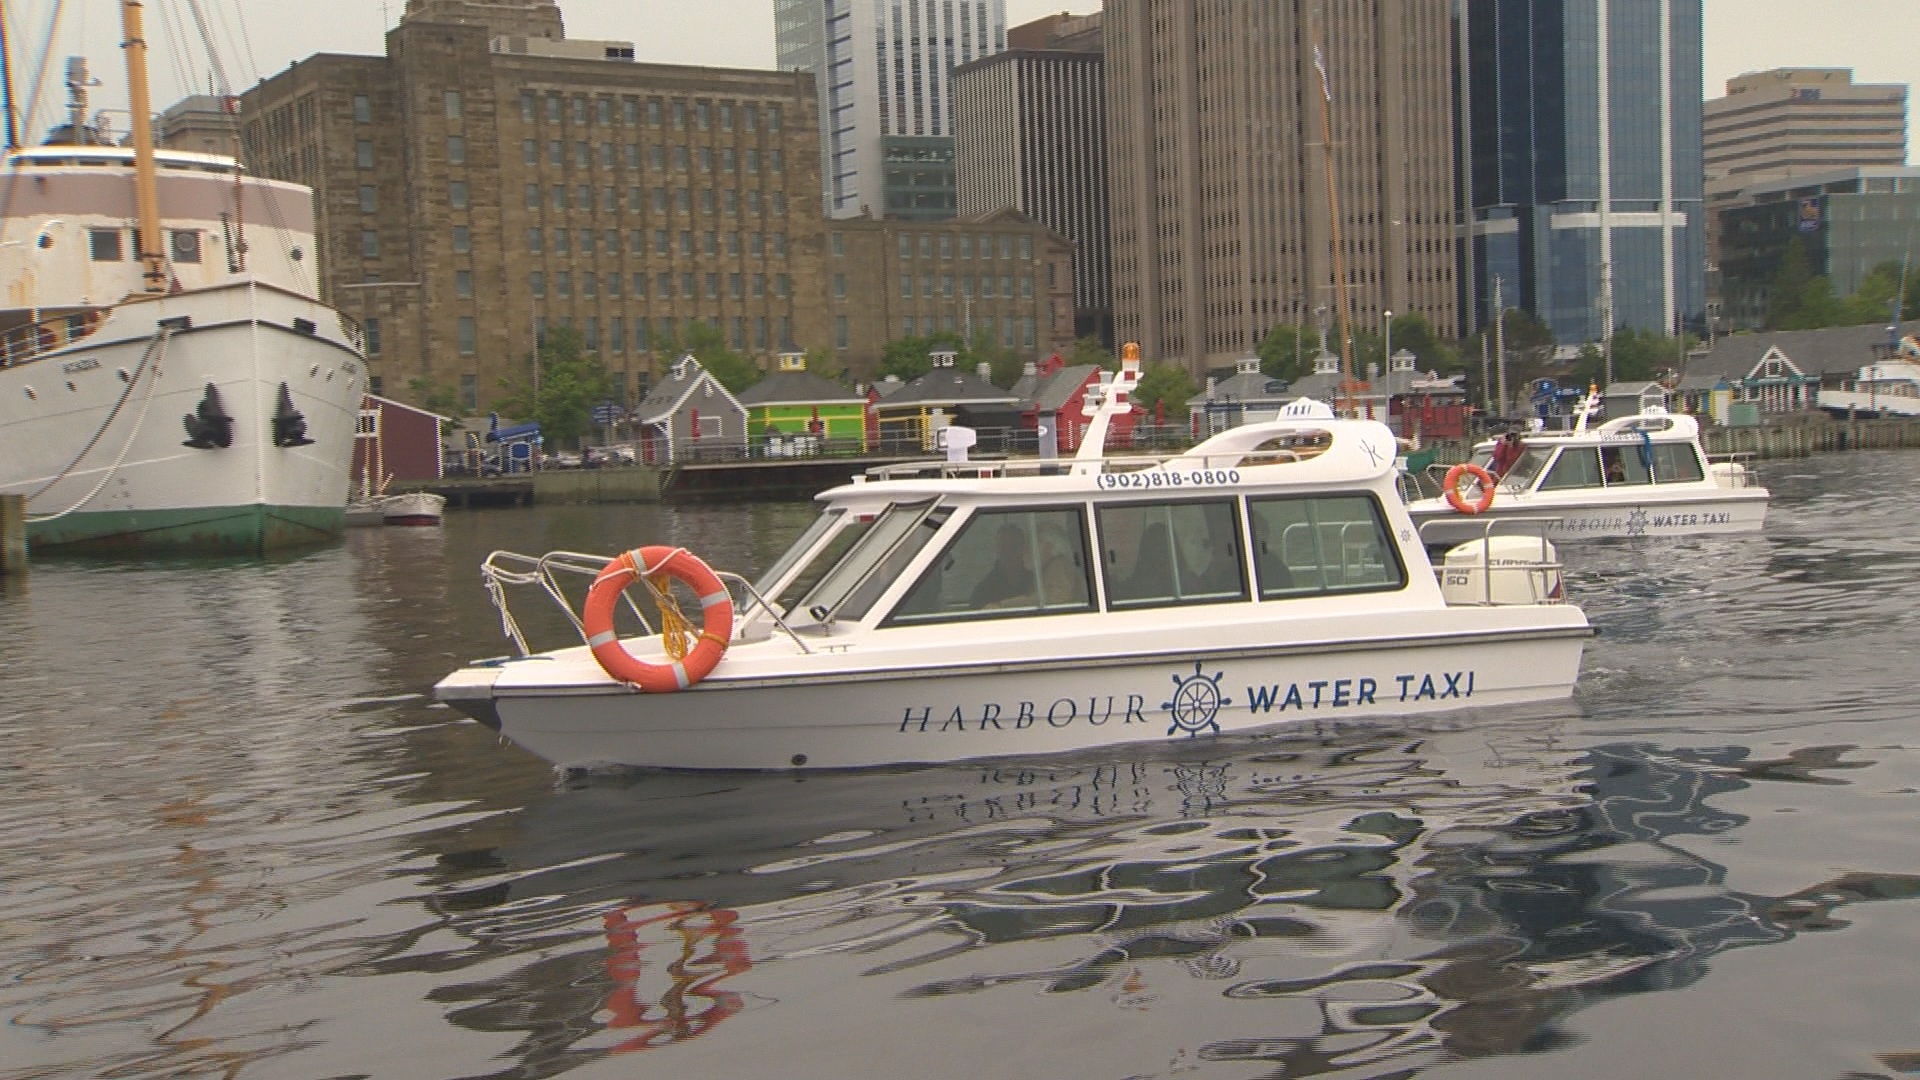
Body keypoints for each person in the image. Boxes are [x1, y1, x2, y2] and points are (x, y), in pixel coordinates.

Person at [970, 524, 1034, 607]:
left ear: (1024, 549)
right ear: (996, 549)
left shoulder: (1036, 582)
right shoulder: (984, 590)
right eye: (1003, 546)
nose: (1008, 552)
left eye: (1013, 546)